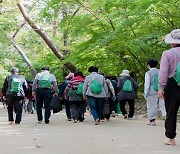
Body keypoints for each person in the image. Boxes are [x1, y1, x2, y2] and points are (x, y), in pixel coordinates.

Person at [158, 29, 180, 146]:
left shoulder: (168, 53)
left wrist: (161, 88)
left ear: (172, 42)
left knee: (171, 112)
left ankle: (171, 138)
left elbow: (163, 72)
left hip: (173, 86)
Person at [144, 59, 166, 126]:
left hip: (152, 92)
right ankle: (167, 117)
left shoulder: (148, 73)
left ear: (148, 65)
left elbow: (147, 84)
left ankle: (152, 120)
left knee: (152, 106)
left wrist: (145, 93)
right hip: (161, 91)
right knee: (163, 105)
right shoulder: (161, 72)